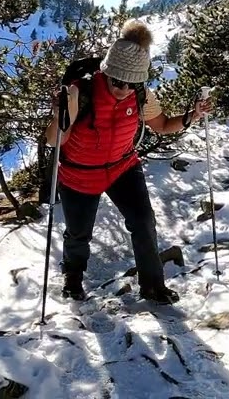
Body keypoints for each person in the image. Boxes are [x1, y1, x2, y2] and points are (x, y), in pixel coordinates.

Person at [43, 18, 211, 304]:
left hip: (122, 167)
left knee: (144, 222)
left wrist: (191, 117)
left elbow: (161, 125)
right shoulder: (79, 92)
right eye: (116, 81)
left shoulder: (143, 95)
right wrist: (61, 114)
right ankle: (73, 279)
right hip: (79, 173)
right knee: (78, 233)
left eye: (130, 84)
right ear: (106, 72)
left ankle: (153, 285)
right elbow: (53, 140)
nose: (122, 88)